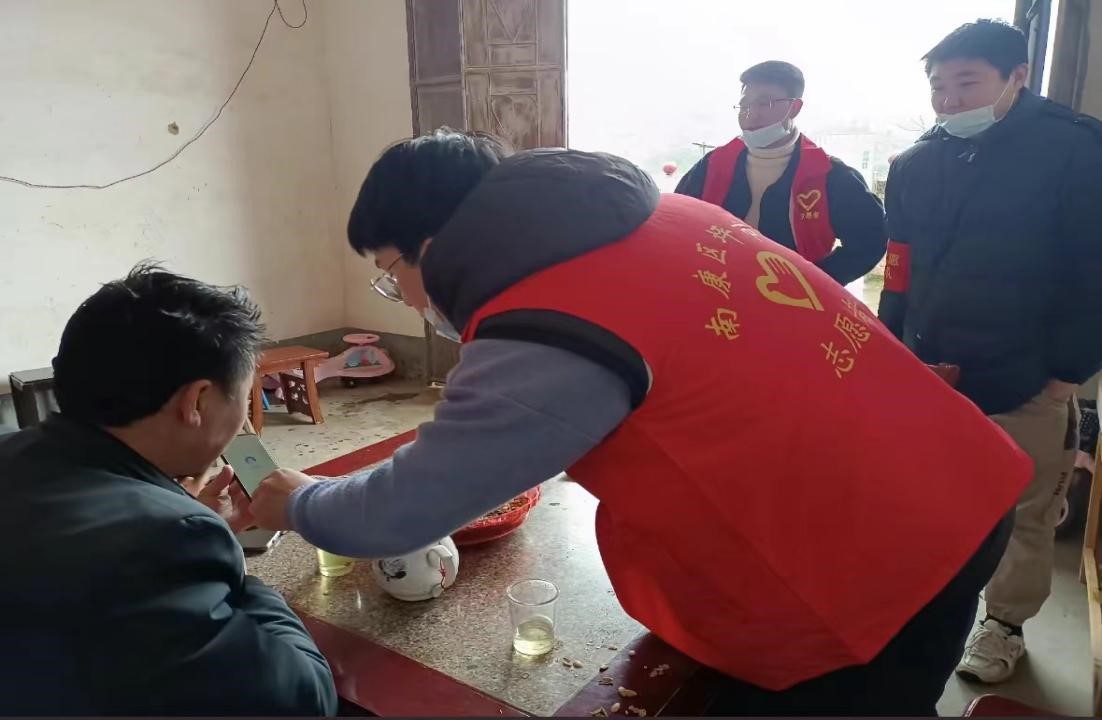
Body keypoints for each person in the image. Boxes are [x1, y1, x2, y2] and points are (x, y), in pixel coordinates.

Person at [248, 128, 1031, 715]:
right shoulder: (665, 215)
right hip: (954, 484)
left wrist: (300, 499)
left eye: (392, 275)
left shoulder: (543, 319)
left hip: (875, 563)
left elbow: (400, 512)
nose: (407, 299)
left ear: (429, 244)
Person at [0, 264, 337, 716]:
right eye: (245, 394)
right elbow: (304, 698)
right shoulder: (167, 540)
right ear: (197, 401)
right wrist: (226, 560)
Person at [879, 19, 1102, 684]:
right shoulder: (917, 162)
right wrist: (890, 351)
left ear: (1018, 77)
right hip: (932, 370)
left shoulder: (1076, 151)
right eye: (938, 87)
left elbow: (1094, 271)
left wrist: (1068, 371)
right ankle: (918, 605)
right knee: (927, 498)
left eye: (966, 83)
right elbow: (900, 269)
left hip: (1028, 374)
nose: (949, 100)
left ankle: (1004, 625)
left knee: (1025, 510)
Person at [675, 61, 887, 286]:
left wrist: (816, 281)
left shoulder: (830, 175)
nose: (751, 115)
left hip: (790, 299)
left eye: (764, 103)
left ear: (794, 107)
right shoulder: (713, 164)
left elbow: (871, 240)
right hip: (717, 286)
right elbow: (678, 218)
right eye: (744, 105)